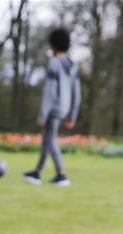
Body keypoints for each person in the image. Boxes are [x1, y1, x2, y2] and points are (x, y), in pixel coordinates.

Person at [23, 27, 80, 186]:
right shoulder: (73, 65)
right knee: (47, 139)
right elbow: (77, 92)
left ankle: (61, 174)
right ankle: (37, 172)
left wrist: (42, 114)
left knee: (49, 139)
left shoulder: (54, 63)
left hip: (53, 107)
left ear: (53, 46)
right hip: (65, 107)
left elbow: (49, 91)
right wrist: (72, 115)